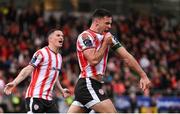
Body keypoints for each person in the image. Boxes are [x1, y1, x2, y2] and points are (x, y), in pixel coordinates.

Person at [67, 9, 151, 113]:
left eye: (110, 23)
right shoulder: (85, 36)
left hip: (93, 85)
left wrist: (143, 75)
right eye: (107, 23)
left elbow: (127, 57)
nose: (110, 26)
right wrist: (105, 43)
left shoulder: (109, 38)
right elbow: (93, 60)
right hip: (88, 84)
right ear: (97, 21)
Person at [4, 28, 71, 113]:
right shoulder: (41, 53)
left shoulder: (59, 57)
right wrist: (14, 82)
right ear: (50, 39)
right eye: (58, 35)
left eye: (62, 36)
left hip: (48, 99)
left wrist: (61, 90)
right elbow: (28, 69)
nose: (61, 37)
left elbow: (54, 75)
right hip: (35, 96)